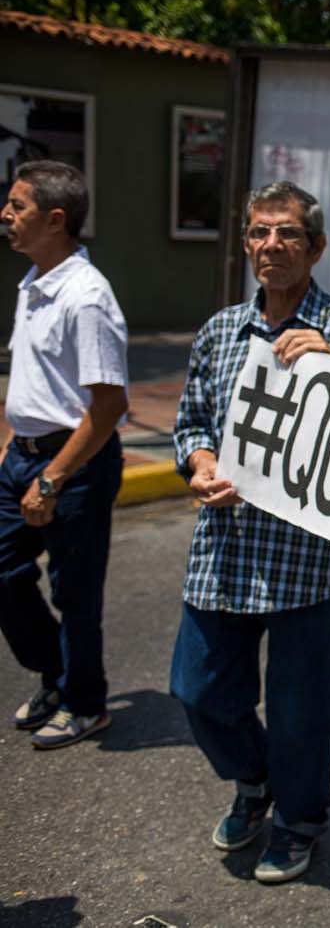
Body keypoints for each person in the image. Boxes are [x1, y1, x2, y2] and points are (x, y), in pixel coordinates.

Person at [171, 181, 330, 885]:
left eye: (288, 235)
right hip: (227, 551)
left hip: (309, 560)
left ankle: (299, 819)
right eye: (261, 233)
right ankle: (253, 781)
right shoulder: (219, 331)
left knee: (303, 713)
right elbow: (190, 423)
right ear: (246, 244)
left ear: (318, 248)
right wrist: (200, 461)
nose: (272, 245)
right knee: (198, 689)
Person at [0, 160, 128, 750]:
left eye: (17, 206)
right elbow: (36, 382)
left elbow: (106, 407)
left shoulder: (87, 297)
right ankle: (57, 673)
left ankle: (85, 703)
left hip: (73, 465)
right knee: (5, 575)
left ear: (56, 220)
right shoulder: (33, 281)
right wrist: (13, 449)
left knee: (75, 595)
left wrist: (51, 478)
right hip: (22, 458)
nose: (6, 214)